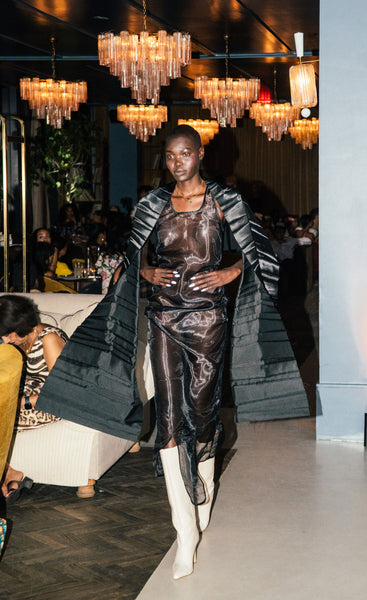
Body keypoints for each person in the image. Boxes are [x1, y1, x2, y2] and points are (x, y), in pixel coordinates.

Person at [37, 125, 308, 580]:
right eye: (169, 155)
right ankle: (184, 533)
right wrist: (146, 271)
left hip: (208, 318)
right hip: (164, 317)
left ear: (200, 155)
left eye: (185, 154)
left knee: (203, 410)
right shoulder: (152, 204)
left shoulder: (225, 202)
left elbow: (260, 256)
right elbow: (131, 258)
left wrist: (229, 273)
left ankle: (203, 481)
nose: (177, 162)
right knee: (167, 417)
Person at [0, 295, 67, 502]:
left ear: (22, 327)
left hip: (48, 403)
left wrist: (21, 402)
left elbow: (61, 391)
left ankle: (7, 476)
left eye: (9, 335)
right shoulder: (14, 339)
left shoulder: (48, 339)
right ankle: (9, 473)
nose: (6, 340)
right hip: (22, 395)